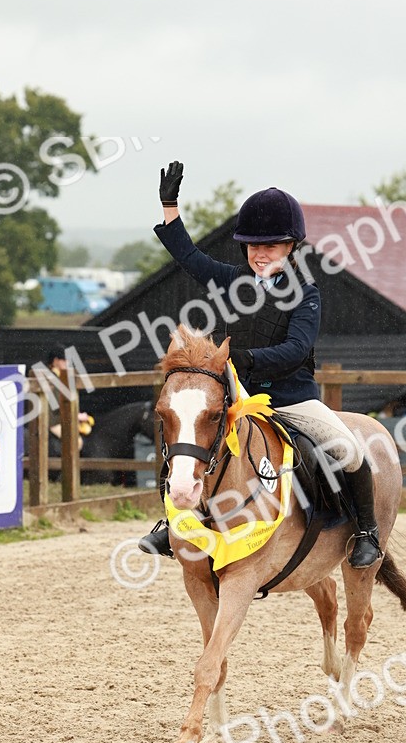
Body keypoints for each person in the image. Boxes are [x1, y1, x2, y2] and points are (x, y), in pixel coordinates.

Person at [140, 161, 383, 568]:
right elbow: (189, 257)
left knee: (349, 450)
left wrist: (242, 357)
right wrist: (170, 206)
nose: (260, 254)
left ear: (291, 247)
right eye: (253, 246)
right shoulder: (233, 279)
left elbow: (294, 350)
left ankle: (366, 532)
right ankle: (173, 520)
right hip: (238, 396)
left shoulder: (306, 294)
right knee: (190, 440)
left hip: (291, 399)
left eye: (270, 246)